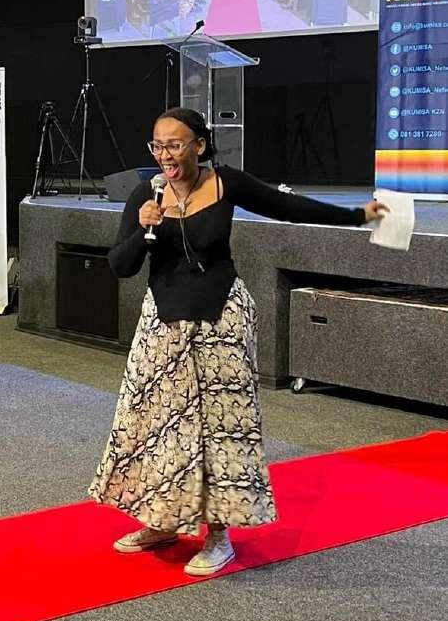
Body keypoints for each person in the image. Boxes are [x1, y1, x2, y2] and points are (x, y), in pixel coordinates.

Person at [89, 108, 386, 576]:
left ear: (199, 145)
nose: (166, 155)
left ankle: (218, 536)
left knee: (220, 429)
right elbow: (120, 266)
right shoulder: (147, 196)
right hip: (164, 321)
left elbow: (286, 207)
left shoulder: (226, 183)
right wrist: (147, 231)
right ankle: (161, 522)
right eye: (158, 146)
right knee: (155, 424)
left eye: (175, 145)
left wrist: (356, 215)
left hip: (220, 319)